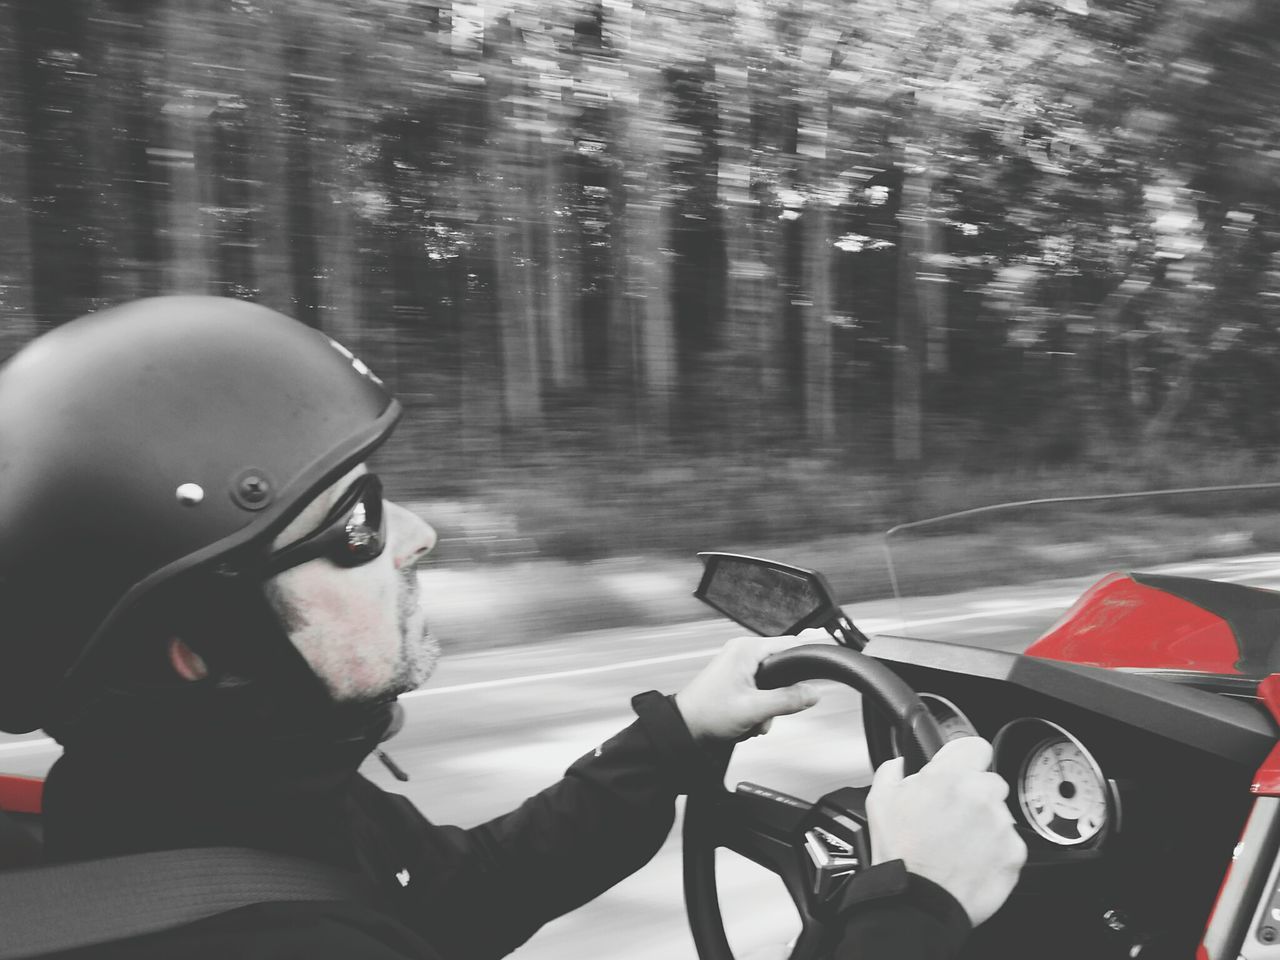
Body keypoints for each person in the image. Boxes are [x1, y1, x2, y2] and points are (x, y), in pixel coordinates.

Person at [0, 296, 1025, 959]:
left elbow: (456, 894)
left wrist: (676, 735)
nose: (417, 535)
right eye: (354, 526)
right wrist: (905, 911)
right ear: (201, 648)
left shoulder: (212, 811)